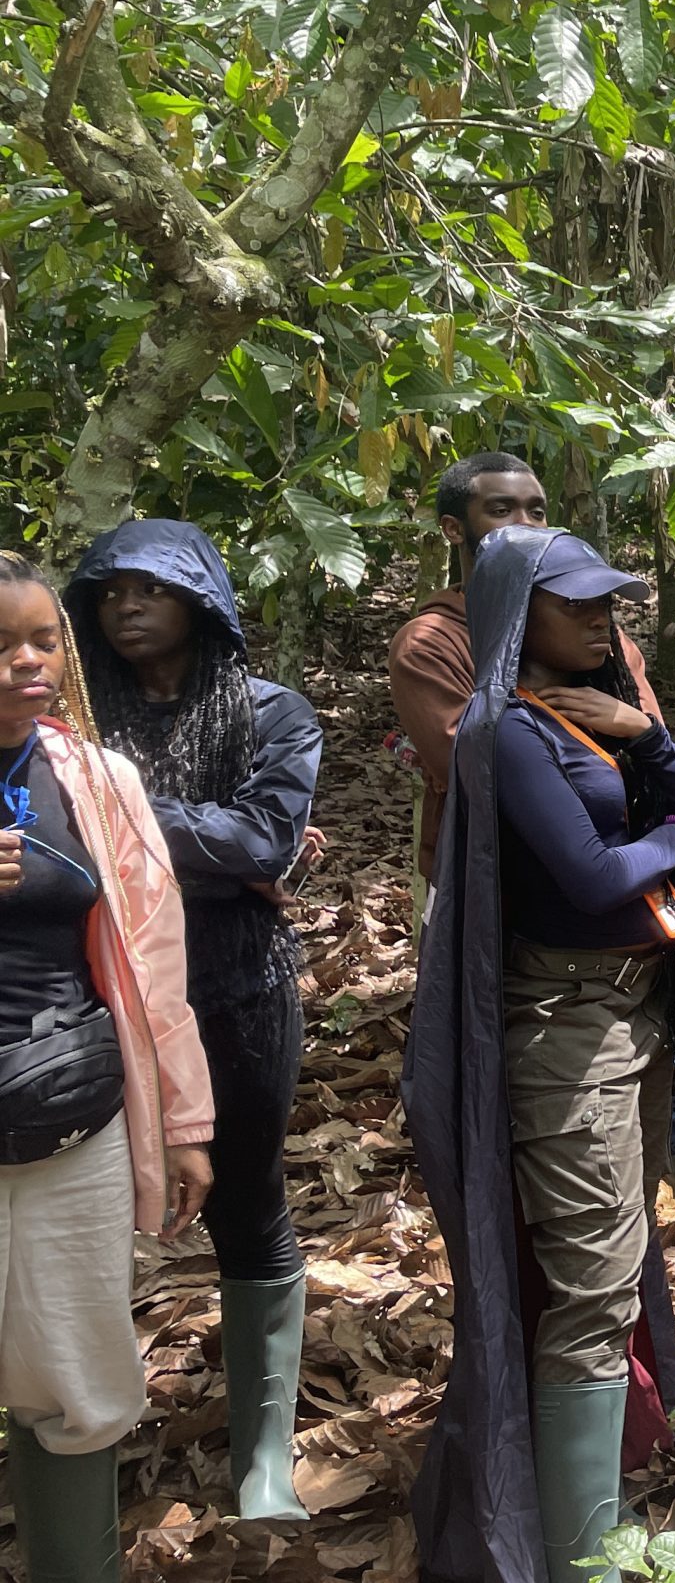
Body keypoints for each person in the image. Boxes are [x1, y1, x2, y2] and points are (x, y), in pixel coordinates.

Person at [403, 528, 675, 1583]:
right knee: (592, 1283)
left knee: (619, 1264)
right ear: (517, 616)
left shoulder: (596, 715)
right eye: (575, 606)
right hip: (563, 1024)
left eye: (607, 605)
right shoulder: (501, 731)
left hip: (633, 1010)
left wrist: (645, 737)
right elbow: (598, 877)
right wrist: (673, 844)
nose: (599, 620)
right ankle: (572, 1554)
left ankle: (591, 1516)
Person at [390, 452, 675, 1257]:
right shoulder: (439, 643)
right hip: (535, 933)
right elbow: (499, 773)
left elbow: (641, 765)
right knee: (569, 1171)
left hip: (642, 936)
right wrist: (674, 838)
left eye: (537, 507)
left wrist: (650, 753)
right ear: (456, 531)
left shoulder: (597, 635)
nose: (527, 525)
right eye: (504, 511)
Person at [65, 520, 324, 1520]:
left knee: (247, 1203)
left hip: (235, 985)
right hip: (94, 992)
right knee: (81, 1205)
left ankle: (264, 1458)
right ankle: (80, 1431)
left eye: (152, 591)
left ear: (199, 606)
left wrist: (111, 808)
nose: (127, 607)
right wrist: (174, 829)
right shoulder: (74, 721)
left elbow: (262, 840)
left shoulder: (270, 714)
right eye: (110, 591)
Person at [0, 551, 213, 1583]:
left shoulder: (94, 779)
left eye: (42, 640)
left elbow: (155, 957)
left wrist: (182, 1124)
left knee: (76, 1383)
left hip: (66, 1129)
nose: (26, 664)